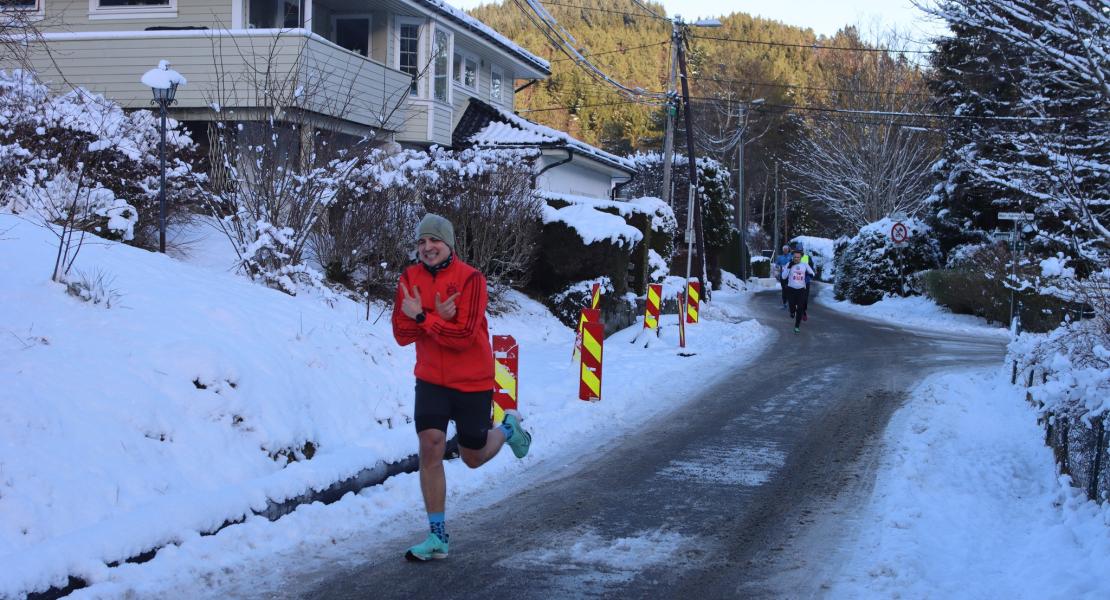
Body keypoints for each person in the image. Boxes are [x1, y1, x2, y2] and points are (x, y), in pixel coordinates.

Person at [392, 213, 532, 562]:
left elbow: (464, 336)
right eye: (421, 242)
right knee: (430, 445)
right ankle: (437, 535)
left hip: (472, 379)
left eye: (434, 241)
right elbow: (400, 334)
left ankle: (509, 428)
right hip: (430, 379)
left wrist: (423, 317)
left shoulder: (471, 280)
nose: (427, 248)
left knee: (472, 457)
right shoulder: (409, 279)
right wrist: (435, 319)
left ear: (448, 244)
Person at [780, 249, 814, 334]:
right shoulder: (789, 264)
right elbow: (784, 277)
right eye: (795, 257)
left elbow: (812, 273)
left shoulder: (805, 265)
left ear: (801, 257)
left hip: (801, 289)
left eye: (798, 257)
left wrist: (809, 275)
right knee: (791, 306)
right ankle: (792, 311)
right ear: (792, 257)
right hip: (791, 289)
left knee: (800, 308)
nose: (796, 259)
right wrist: (788, 267)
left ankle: (797, 326)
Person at [773, 245, 792, 309]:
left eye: (786, 249)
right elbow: (776, 265)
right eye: (784, 249)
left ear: (788, 250)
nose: (785, 251)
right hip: (783, 276)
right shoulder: (780, 257)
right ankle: (784, 303)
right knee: (784, 289)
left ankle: (791, 302)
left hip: (790, 276)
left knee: (790, 289)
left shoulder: (791, 256)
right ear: (783, 250)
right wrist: (779, 267)